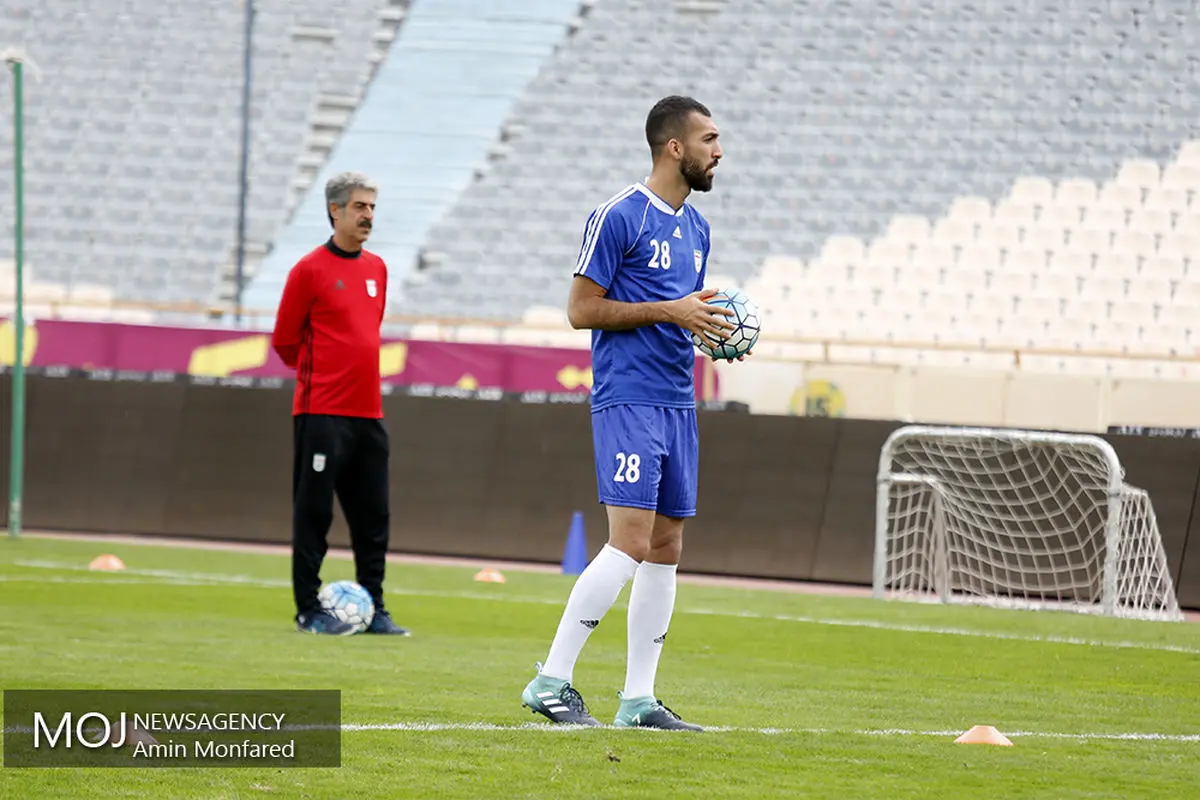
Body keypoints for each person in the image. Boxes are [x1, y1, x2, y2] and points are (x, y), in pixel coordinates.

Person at [520, 96, 745, 730]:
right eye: (709, 138)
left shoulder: (697, 228)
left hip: (678, 399)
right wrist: (671, 311)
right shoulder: (619, 216)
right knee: (631, 542)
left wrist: (712, 331)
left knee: (667, 546)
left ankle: (638, 700)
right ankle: (551, 679)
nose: (718, 151)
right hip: (628, 398)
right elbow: (581, 310)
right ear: (675, 147)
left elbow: (679, 309)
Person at [271, 171, 411, 637]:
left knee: (374, 516)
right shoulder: (308, 270)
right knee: (314, 513)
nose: (368, 215)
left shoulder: (377, 269)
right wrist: (322, 377)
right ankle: (308, 607)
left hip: (368, 413)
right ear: (335, 211)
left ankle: (375, 607)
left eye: (372, 206)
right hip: (321, 414)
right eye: (359, 207)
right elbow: (285, 343)